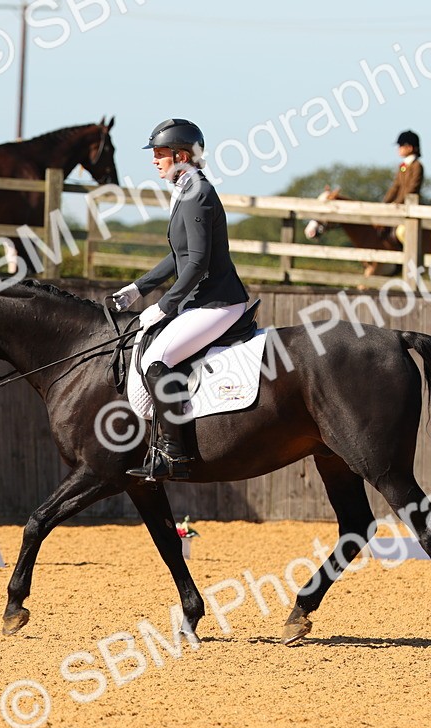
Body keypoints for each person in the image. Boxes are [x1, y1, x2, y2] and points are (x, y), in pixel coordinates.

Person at [109, 119, 250, 481]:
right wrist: (139, 288)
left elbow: (198, 261)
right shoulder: (186, 189)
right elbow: (179, 256)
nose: (154, 162)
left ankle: (176, 455)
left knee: (158, 359)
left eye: (159, 155)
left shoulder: (198, 192)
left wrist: (164, 305)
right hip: (201, 301)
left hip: (219, 303)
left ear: (181, 156)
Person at [382, 130, 423, 246]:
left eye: (401, 146)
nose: (398, 149)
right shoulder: (403, 166)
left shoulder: (417, 166)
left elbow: (412, 188)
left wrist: (397, 202)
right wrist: (385, 202)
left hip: (411, 207)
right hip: (399, 205)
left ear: (409, 148)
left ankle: (409, 253)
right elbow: (395, 186)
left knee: (401, 232)